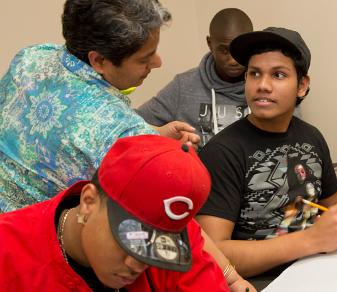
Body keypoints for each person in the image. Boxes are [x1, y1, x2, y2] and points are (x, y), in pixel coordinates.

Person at [196, 27, 337, 278]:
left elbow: (333, 203)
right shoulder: (222, 152)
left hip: (322, 267)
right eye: (254, 74)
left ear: (302, 85)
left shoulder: (311, 137)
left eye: (278, 75)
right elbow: (214, 255)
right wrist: (310, 241)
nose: (262, 85)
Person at [0, 0, 200, 213]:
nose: (157, 63)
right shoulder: (122, 133)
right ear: (99, 60)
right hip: (28, 238)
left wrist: (152, 134)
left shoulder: (31, 58)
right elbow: (167, 209)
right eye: (144, 59)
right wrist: (166, 156)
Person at [0, 135, 230, 291]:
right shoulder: (8, 252)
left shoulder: (170, 226)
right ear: (89, 201)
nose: (137, 264)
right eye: (128, 239)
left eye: (155, 248)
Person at [137, 8, 253, 147]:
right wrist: (166, 141)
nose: (233, 60)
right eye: (224, 50)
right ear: (210, 44)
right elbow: (132, 124)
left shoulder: (265, 85)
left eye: (238, 48)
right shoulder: (184, 86)